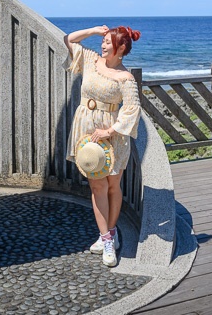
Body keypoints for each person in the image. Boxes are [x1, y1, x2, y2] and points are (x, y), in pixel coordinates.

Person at [65, 24, 142, 268]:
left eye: (109, 42)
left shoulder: (125, 79)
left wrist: (109, 131)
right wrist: (96, 30)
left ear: (121, 48)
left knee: (112, 185)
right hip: (86, 129)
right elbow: (69, 39)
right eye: (104, 41)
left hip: (112, 134)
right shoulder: (91, 60)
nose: (103, 45)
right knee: (97, 185)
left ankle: (110, 233)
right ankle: (107, 239)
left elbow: (132, 110)